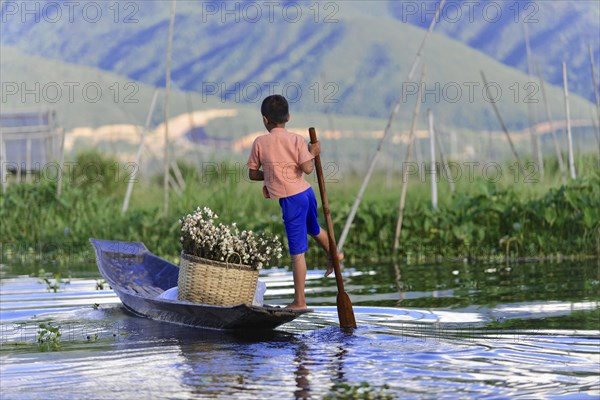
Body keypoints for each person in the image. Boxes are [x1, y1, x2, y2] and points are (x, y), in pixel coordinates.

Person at [247, 95, 341, 310]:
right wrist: (311, 152)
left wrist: (271, 175)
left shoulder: (260, 142)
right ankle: (334, 254)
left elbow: (253, 174)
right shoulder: (297, 139)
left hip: (291, 200)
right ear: (288, 117)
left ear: (264, 120)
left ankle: (300, 301)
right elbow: (308, 169)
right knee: (314, 228)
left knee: (297, 253)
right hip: (306, 193)